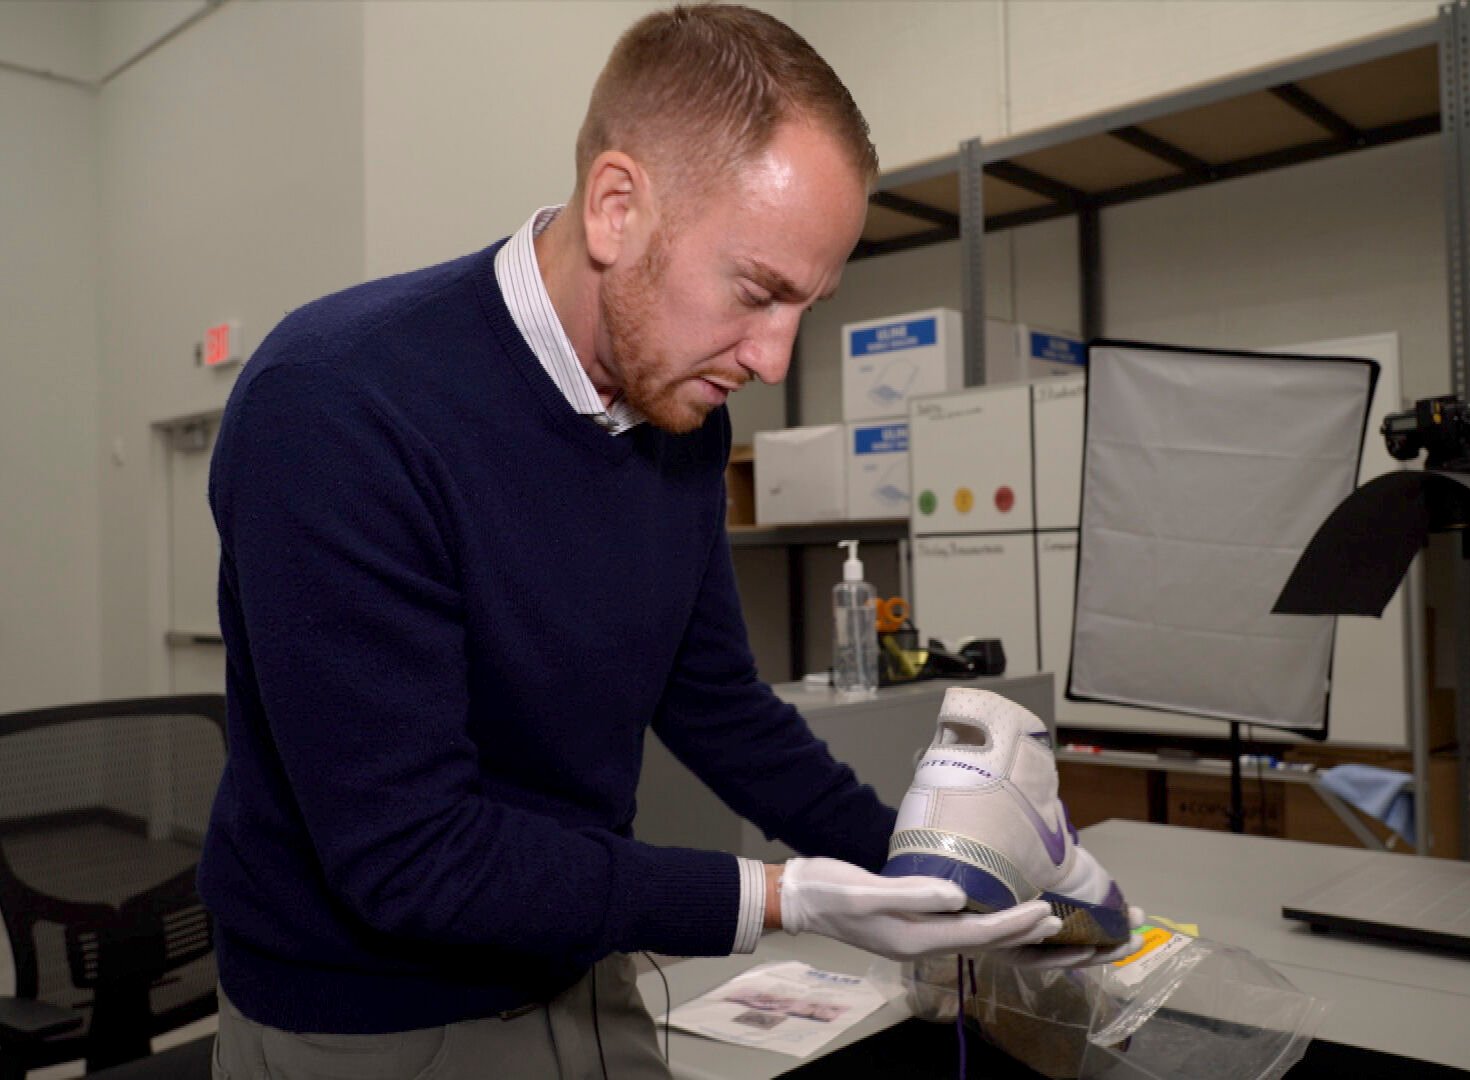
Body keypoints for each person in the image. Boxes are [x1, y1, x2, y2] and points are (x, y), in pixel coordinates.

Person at [202, 6, 1118, 1078]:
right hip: (370, 1018)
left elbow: (719, 706)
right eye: (758, 292)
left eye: (807, 306)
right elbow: (412, 857)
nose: (774, 359)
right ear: (616, 207)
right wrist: (780, 898)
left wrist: (945, 870)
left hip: (583, 966)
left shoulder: (677, 408)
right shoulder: (337, 408)